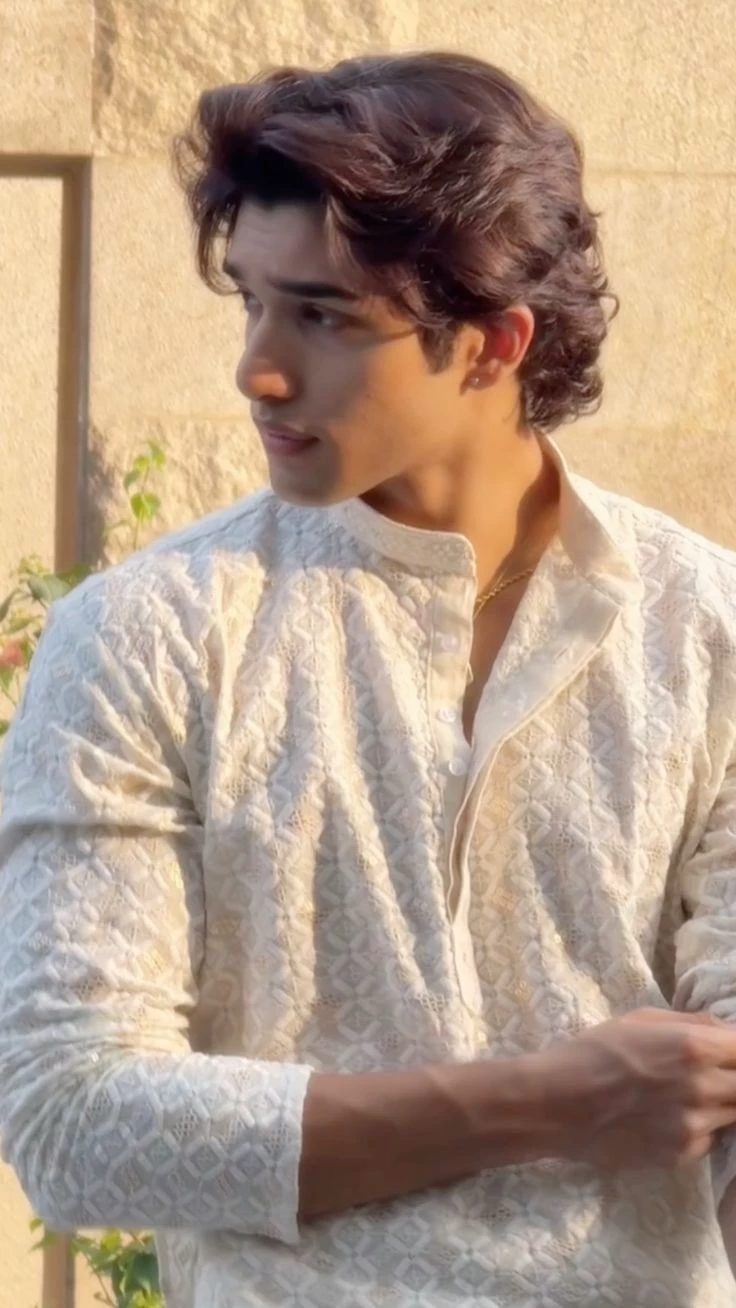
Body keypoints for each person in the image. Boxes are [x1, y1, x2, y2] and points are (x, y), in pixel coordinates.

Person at [1, 49, 736, 1308]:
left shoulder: (709, 631)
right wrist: (544, 1101)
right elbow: (73, 1120)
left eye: (323, 316)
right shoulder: (148, 634)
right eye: (250, 302)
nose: (258, 369)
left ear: (493, 345)